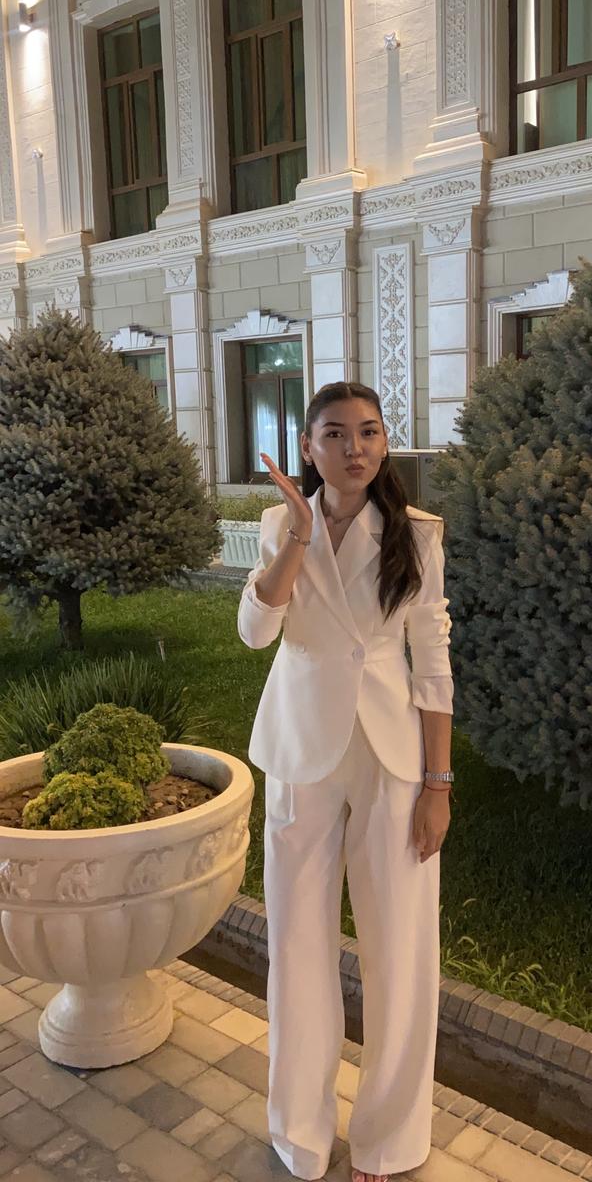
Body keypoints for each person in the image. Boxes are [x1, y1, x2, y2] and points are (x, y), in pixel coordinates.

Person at [238, 381, 454, 1182]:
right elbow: (255, 631)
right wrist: (299, 534)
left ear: (384, 443)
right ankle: (300, 1132)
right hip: (302, 748)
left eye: (368, 432)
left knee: (401, 948)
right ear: (308, 446)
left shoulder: (417, 533)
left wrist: (438, 784)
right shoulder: (278, 526)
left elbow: (433, 661)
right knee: (297, 945)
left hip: (394, 756)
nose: (354, 447)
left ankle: (389, 1139)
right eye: (335, 433)